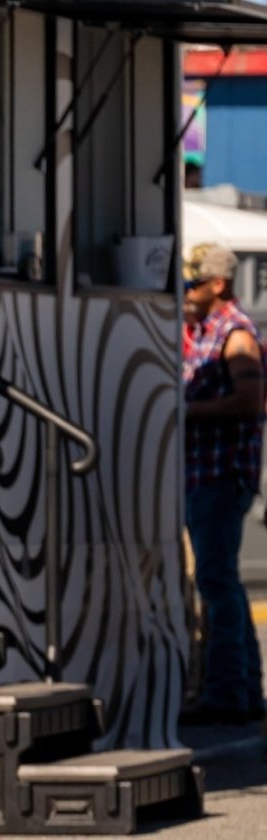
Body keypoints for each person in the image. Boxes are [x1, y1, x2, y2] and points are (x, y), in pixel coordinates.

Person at [181, 242, 267, 726]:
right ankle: (245, 691)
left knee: (217, 583)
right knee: (224, 583)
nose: (187, 293)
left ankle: (227, 692)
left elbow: (250, 399)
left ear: (218, 284)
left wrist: (187, 411)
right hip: (204, 473)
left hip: (220, 475)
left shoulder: (235, 335)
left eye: (194, 284)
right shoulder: (203, 331)